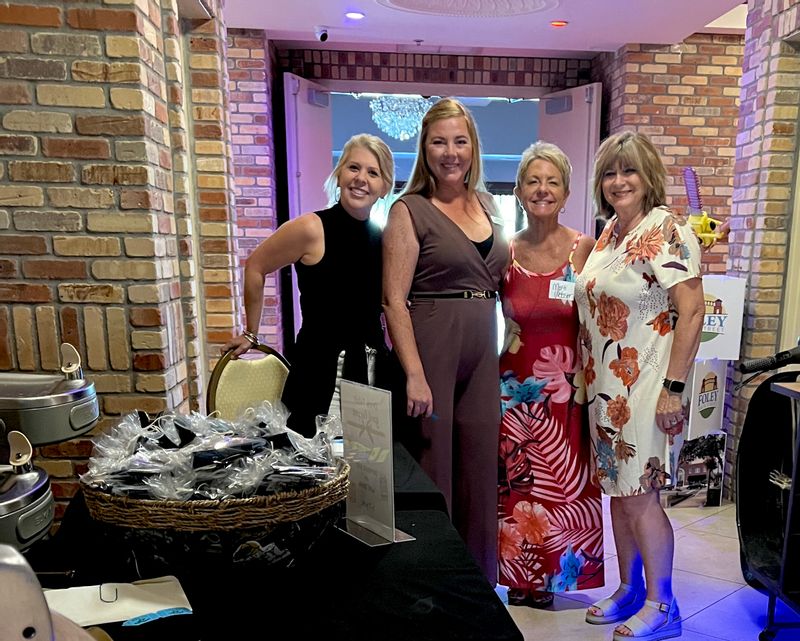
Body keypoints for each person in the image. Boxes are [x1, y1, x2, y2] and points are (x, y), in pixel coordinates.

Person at [574, 131, 704, 641]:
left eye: (628, 171)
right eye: (609, 172)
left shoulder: (665, 230)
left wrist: (674, 387)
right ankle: (629, 588)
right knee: (619, 493)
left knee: (642, 496)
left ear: (648, 175)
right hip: (606, 388)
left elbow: (691, 312)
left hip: (646, 386)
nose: (617, 181)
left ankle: (663, 603)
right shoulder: (610, 234)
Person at [382, 97, 509, 581]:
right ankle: (431, 577)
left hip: (482, 344)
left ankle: (476, 581)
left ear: (473, 148)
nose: (450, 152)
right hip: (433, 341)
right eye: (439, 142)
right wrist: (414, 373)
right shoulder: (409, 210)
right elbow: (394, 300)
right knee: (434, 460)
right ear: (425, 149)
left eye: (460, 141)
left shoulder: (488, 206)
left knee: (479, 462)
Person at [223, 134, 395, 437]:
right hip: (317, 370)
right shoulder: (311, 228)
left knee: (367, 473)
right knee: (313, 472)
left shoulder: (384, 240)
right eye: (354, 168)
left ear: (384, 188)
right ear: (340, 174)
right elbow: (256, 266)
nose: (361, 179)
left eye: (373, 172)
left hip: (370, 373)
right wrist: (252, 332)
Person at [497, 141, 604, 608]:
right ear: (519, 190)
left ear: (565, 193)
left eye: (552, 181)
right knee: (518, 487)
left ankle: (555, 581)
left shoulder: (585, 247)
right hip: (513, 389)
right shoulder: (505, 251)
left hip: (568, 392)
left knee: (563, 488)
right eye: (533, 180)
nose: (542, 189)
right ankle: (520, 578)